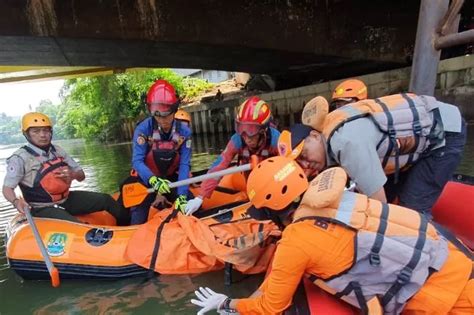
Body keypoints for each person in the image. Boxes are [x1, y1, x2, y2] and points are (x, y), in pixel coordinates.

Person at [191, 157, 473, 315]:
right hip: (457, 263)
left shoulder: (296, 242)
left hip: (443, 299)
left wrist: (226, 303)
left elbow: (271, 305)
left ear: (272, 211)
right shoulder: (340, 197)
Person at [279, 93, 466, 217]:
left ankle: (431, 259)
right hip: (424, 133)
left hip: (444, 135)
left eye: (304, 154)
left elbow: (380, 206)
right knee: (394, 197)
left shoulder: (346, 144)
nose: (306, 163)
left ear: (314, 135)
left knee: (412, 211)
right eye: (299, 162)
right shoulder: (331, 131)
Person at [2, 112, 129, 225]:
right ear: (27, 134)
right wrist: (16, 202)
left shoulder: (58, 150)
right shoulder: (19, 158)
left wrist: (72, 175)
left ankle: (130, 225)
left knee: (105, 199)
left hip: (66, 199)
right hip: (42, 208)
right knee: (77, 226)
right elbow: (7, 188)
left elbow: (81, 175)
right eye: (36, 131)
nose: (42, 135)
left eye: (46, 131)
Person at [185, 96, 280, 216]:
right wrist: (200, 197)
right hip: (250, 180)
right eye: (242, 129)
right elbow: (219, 166)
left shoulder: (276, 140)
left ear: (263, 130)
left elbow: (287, 165)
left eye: (251, 130)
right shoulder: (237, 140)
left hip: (272, 179)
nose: (246, 137)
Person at [128, 79, 192, 224]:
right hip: (148, 180)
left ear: (175, 109)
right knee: (137, 218)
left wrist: (181, 195)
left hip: (170, 180)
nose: (162, 120)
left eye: (166, 114)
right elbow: (137, 161)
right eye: (157, 115)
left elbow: (184, 164)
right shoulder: (143, 129)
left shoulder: (184, 132)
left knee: (190, 204)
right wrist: (153, 180)